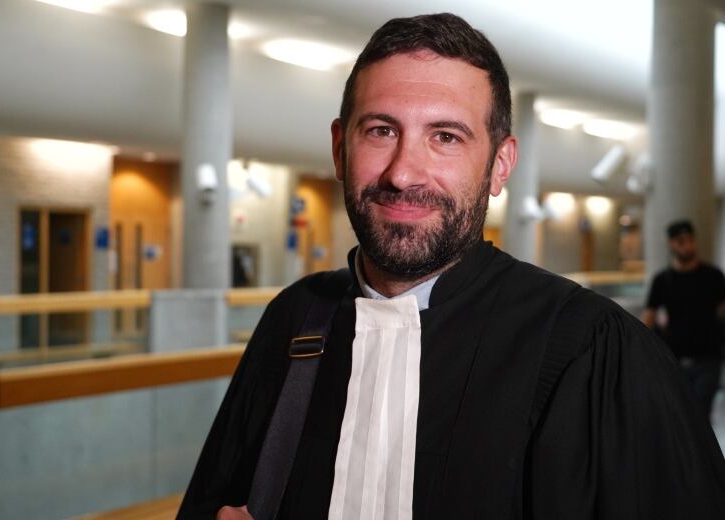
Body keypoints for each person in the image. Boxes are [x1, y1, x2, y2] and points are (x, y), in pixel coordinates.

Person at [179, 13, 725, 519]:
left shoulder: (593, 349)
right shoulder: (293, 322)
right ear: (340, 147)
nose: (404, 172)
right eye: (381, 131)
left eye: (445, 137)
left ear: (500, 165)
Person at [643, 219, 725, 417]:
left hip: (707, 357)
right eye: (681, 241)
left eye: (690, 240)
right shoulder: (662, 280)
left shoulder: (713, 276)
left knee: (700, 415)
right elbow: (649, 318)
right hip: (673, 357)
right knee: (676, 415)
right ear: (671, 244)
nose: (687, 246)